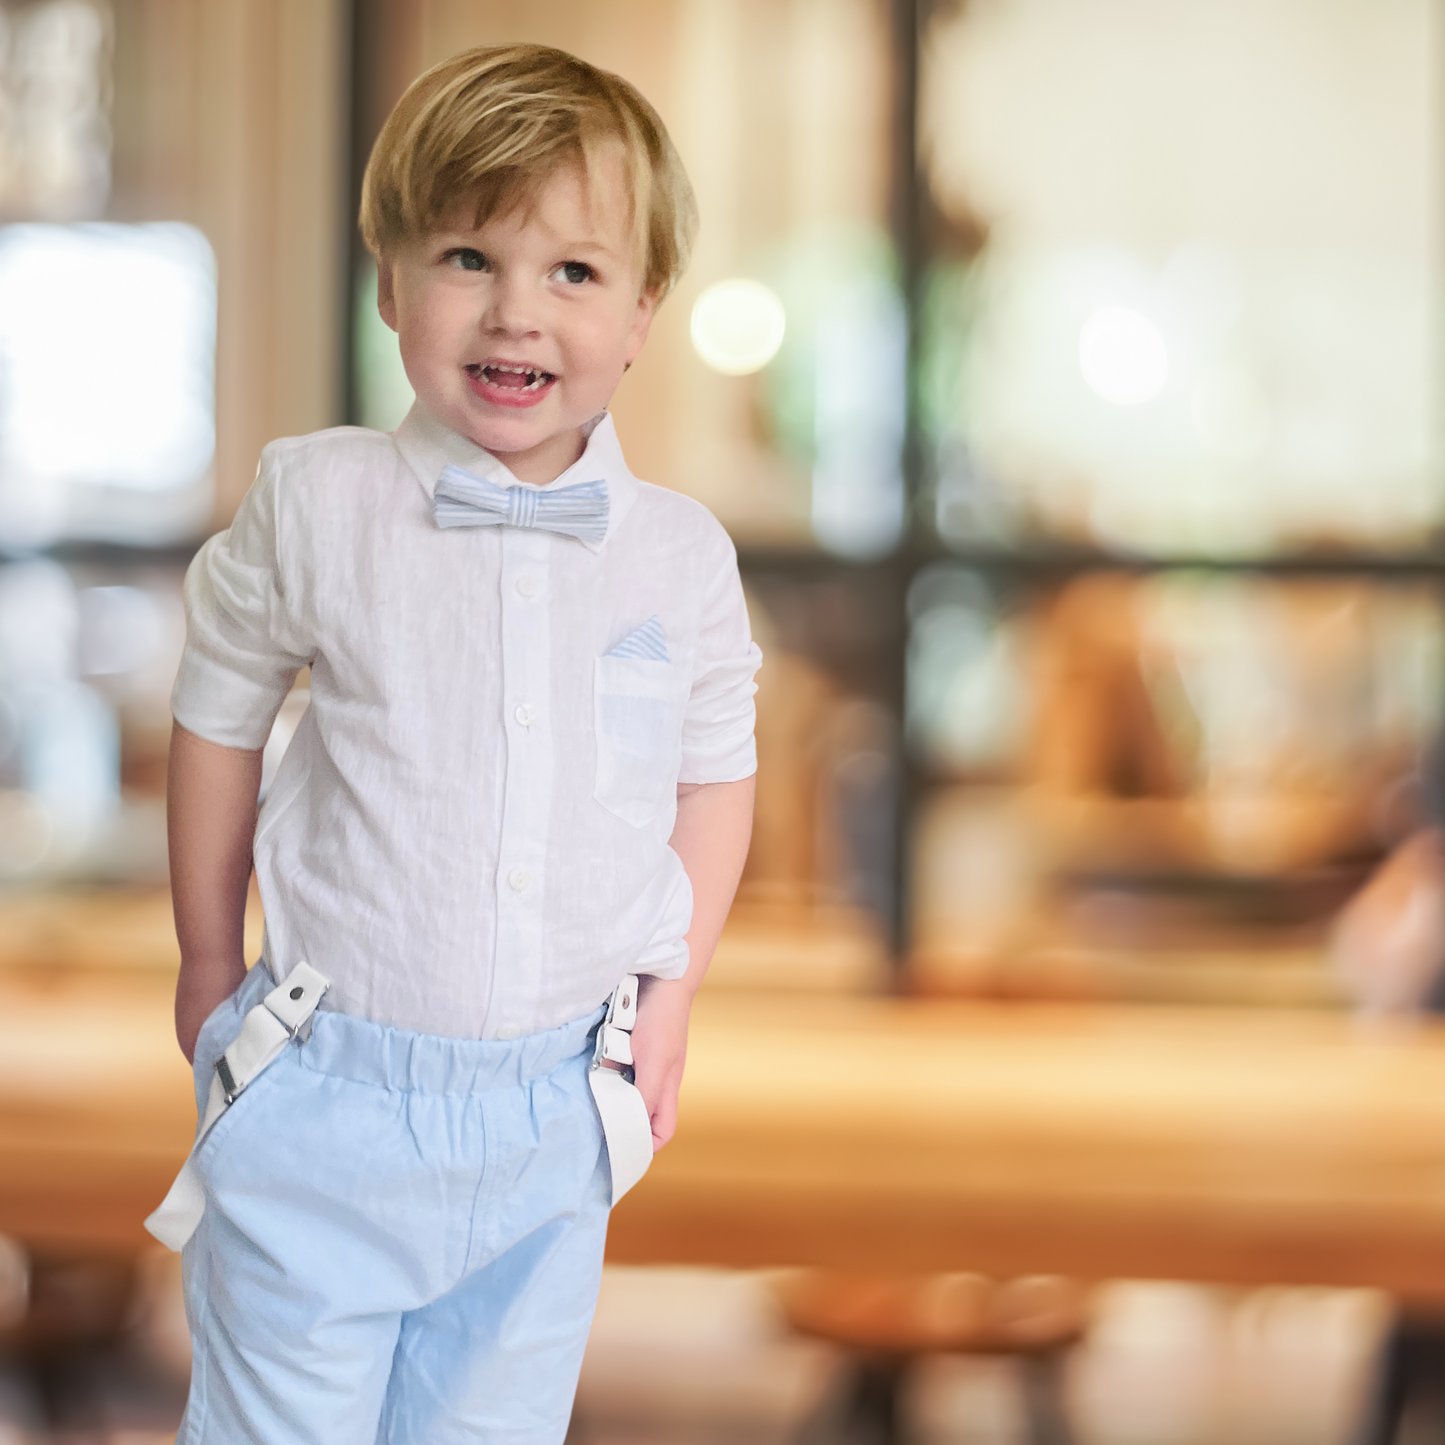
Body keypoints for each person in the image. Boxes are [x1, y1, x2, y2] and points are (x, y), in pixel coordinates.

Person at [149, 44, 760, 1445]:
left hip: (557, 1111)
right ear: (388, 283)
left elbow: (714, 771)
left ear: (644, 311)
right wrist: (203, 950)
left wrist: (675, 995)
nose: (516, 314)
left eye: (575, 273)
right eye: (467, 256)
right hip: (325, 1097)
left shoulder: (678, 557)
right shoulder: (321, 501)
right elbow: (219, 703)